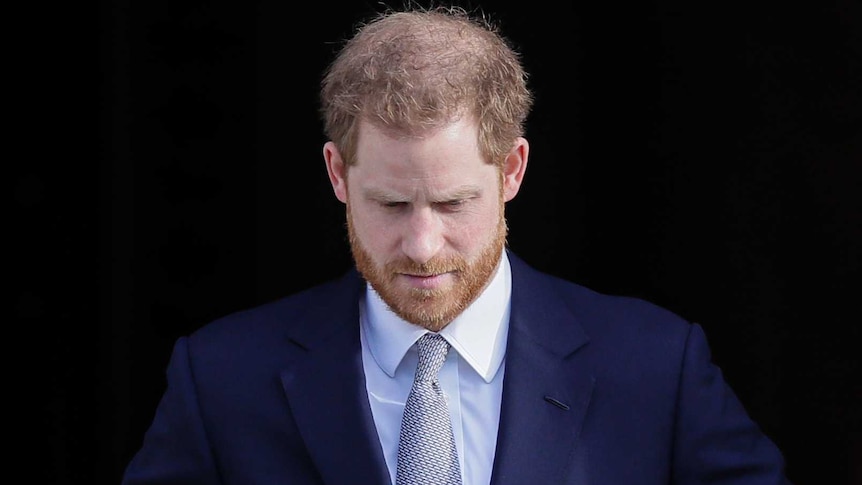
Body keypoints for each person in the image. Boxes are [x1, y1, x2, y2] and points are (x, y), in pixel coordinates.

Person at [120, 5, 792, 484]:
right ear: (336, 175)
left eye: (452, 202)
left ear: (512, 171)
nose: (420, 243)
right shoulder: (220, 380)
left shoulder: (653, 367)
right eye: (389, 202)